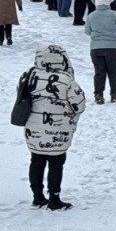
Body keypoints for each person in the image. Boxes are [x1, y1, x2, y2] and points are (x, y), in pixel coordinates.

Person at [22, 44, 86, 210]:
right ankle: (54, 199)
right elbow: (79, 105)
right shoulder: (67, 80)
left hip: (33, 128)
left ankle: (37, 197)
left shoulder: (30, 75)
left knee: (36, 160)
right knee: (56, 162)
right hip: (58, 129)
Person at [84, 0, 116, 103]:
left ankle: (98, 94)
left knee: (99, 72)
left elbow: (87, 32)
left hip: (96, 48)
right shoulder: (115, 15)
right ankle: (114, 93)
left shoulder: (91, 16)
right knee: (114, 71)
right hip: (113, 48)